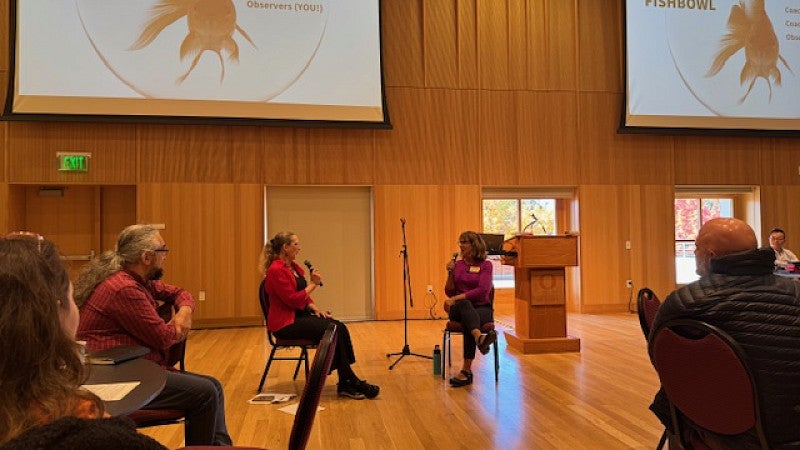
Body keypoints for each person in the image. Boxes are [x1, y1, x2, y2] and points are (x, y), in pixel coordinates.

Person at [0, 232, 165, 449]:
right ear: (55, 312)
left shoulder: (130, 279)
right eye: (72, 296)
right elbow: (164, 337)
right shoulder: (85, 429)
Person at [74, 224, 232, 446]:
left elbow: (180, 293)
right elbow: (164, 337)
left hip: (130, 366)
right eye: (162, 250)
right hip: (118, 377)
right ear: (147, 257)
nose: (165, 256)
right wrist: (177, 322)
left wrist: (184, 311)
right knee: (205, 392)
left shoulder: (137, 280)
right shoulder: (124, 289)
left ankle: (220, 449)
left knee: (213, 385)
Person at [650, 218, 800, 448]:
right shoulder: (795, 292)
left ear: (710, 256)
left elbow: (664, 360)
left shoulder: (683, 303)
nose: (693, 251)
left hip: (723, 428)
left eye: (696, 247)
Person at [260, 231, 379, 400]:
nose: (299, 248)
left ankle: (346, 379)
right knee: (333, 330)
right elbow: (293, 300)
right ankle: (348, 380)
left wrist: (316, 309)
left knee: (339, 326)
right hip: (286, 324)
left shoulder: (292, 267)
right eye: (296, 244)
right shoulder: (276, 270)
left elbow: (303, 295)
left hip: (299, 317)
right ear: (285, 247)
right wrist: (313, 284)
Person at [443, 231, 497, 387]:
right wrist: (450, 272)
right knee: (466, 307)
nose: (461, 245)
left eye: (465, 242)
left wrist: (458, 297)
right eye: (460, 242)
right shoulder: (458, 265)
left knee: (470, 319)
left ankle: (466, 371)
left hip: (482, 308)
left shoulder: (486, 265)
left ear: (475, 245)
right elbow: (449, 292)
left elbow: (483, 290)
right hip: (459, 309)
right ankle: (479, 339)